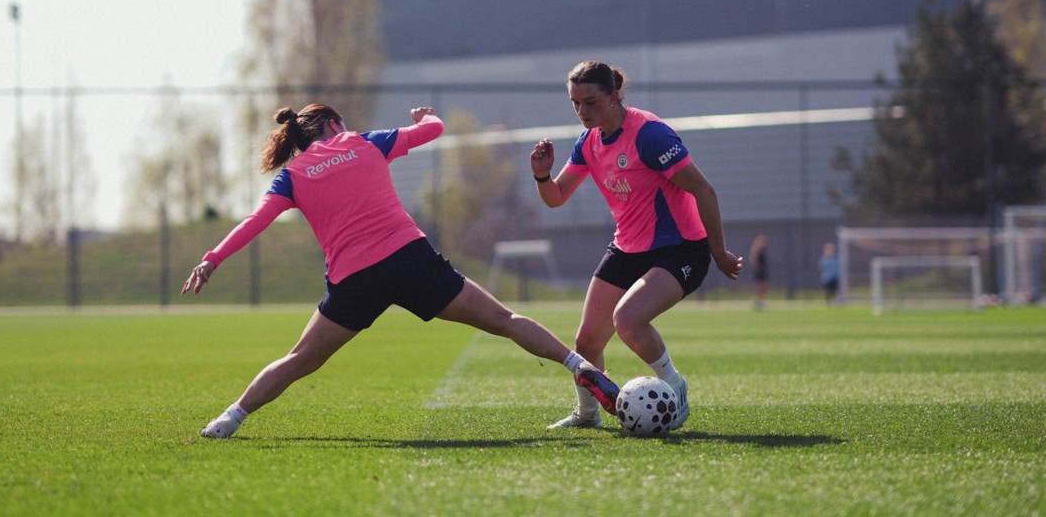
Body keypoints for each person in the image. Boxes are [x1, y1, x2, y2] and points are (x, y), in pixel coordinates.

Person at [183, 103, 619, 438]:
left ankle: (230, 418)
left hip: (356, 279)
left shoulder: (293, 175)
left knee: (301, 358)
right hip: (411, 259)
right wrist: (426, 116)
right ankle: (577, 363)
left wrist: (212, 259)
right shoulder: (366, 141)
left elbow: (254, 222)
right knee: (504, 320)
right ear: (336, 125)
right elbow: (433, 130)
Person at [530, 61, 742, 431]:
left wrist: (719, 251)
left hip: (680, 248)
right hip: (627, 248)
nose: (582, 111)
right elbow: (557, 196)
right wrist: (542, 174)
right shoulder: (589, 142)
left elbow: (704, 190)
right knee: (586, 340)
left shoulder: (650, 134)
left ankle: (675, 388)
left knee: (628, 320)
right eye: (575, 103)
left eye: (590, 102)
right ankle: (588, 415)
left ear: (614, 96)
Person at [749, 235, 769, 310]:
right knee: (759, 286)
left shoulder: (763, 251)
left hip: (763, 270)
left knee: (764, 286)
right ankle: (757, 301)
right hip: (759, 271)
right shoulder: (756, 251)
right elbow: (753, 260)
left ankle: (760, 300)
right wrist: (757, 268)